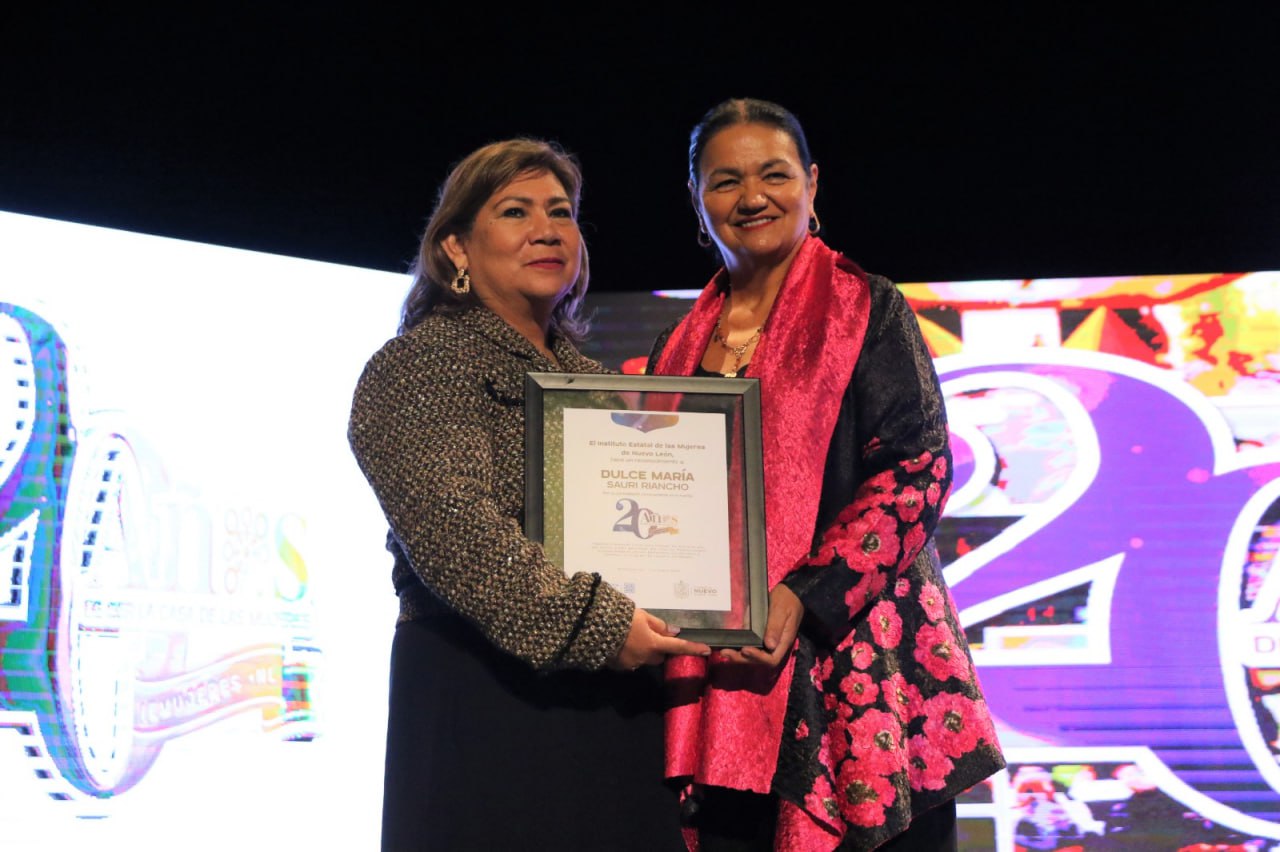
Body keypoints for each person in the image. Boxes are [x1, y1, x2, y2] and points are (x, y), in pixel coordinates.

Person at [646, 98, 1007, 850]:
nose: (752, 197)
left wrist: (805, 597)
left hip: (859, 665)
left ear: (812, 184)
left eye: (774, 174)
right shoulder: (674, 346)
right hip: (721, 674)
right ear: (696, 199)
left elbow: (917, 470)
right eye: (726, 181)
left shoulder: (868, 307)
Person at [348, 137, 711, 851]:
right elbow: (456, 529)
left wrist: (713, 610)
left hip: (615, 708)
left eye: (562, 212)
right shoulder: (421, 364)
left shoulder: (602, 388)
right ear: (455, 247)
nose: (547, 230)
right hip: (485, 704)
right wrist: (600, 626)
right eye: (515, 211)